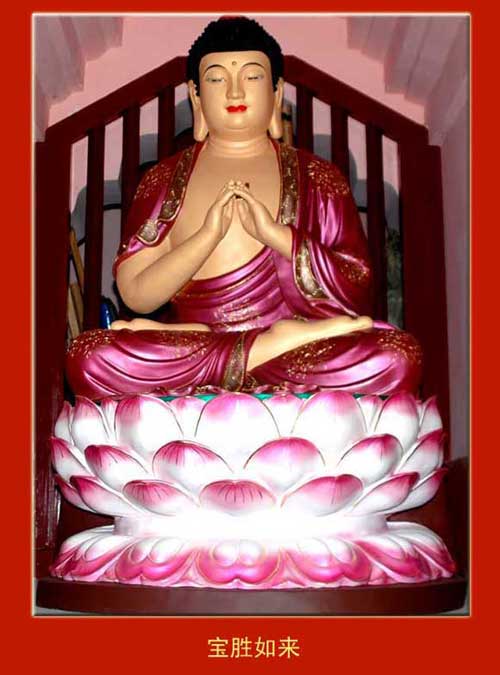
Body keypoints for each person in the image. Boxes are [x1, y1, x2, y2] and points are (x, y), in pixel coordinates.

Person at [66, 17, 422, 400]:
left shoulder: (318, 177)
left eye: (252, 77)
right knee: (90, 355)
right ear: (196, 96)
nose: (234, 91)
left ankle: (266, 346)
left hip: (292, 355)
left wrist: (278, 237)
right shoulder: (164, 179)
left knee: (397, 356)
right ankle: (265, 346)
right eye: (217, 79)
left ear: (276, 91)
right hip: (200, 349)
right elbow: (135, 292)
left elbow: (356, 286)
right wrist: (207, 236)